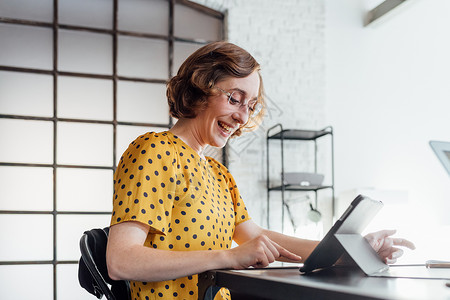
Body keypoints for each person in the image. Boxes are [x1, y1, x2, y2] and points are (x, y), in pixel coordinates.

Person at [106, 41, 415, 300]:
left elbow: (259, 238)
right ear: (200, 90)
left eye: (250, 106)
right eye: (235, 99)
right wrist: (228, 256)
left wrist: (349, 250)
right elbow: (121, 260)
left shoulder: (217, 172)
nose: (242, 117)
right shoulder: (155, 150)